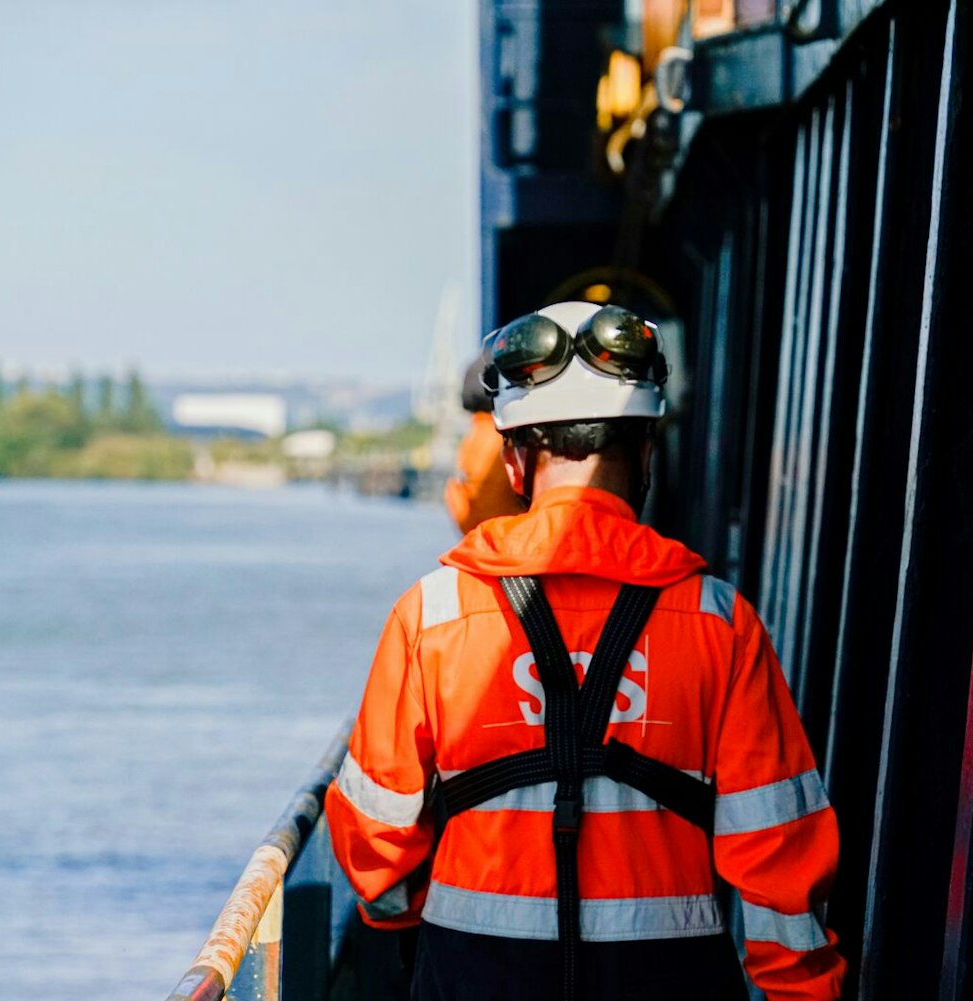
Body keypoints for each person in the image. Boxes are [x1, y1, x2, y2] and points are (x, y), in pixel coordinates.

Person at [324, 301, 844, 1000]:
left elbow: (374, 836)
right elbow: (777, 846)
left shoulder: (432, 615)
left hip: (473, 973)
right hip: (669, 980)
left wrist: (418, 921)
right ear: (647, 453)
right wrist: (800, 989)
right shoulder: (719, 622)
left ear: (514, 461)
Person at [443, 354, 525, 533]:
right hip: (510, 536)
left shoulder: (470, 441)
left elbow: (457, 499)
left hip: (480, 539)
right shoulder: (508, 438)